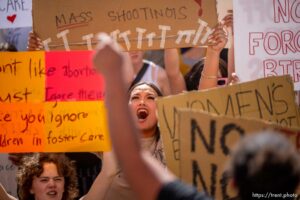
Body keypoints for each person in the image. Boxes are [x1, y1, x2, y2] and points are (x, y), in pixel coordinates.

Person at [92, 33, 300, 200]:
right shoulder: (109, 149)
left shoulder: (176, 144)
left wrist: (114, 79)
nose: (142, 102)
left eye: (150, 97)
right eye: (135, 97)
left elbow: (136, 165)